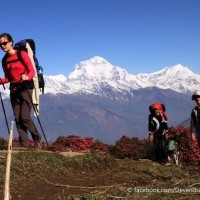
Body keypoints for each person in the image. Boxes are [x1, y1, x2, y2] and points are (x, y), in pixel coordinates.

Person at [0, 33, 41, 149]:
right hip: (14, 90)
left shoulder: (21, 54)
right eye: (0, 45)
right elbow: (8, 78)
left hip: (26, 88)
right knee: (18, 119)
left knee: (25, 117)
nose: (3, 46)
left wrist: (27, 77)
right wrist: (1, 81)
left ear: (11, 43)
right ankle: (24, 145)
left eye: (4, 43)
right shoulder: (4, 60)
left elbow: (32, 71)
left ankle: (37, 138)